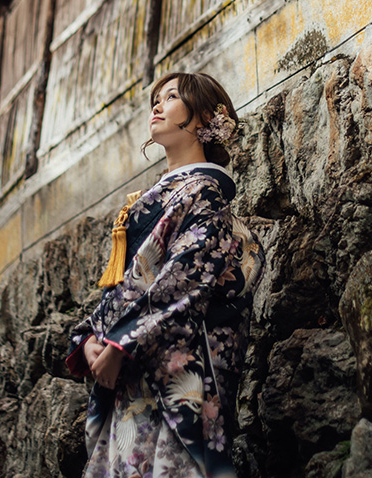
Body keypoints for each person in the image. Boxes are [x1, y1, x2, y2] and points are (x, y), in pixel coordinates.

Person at [66, 72, 263, 478]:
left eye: (171, 97)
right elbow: (127, 284)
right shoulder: (162, 196)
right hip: (135, 363)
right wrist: (90, 338)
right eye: (156, 98)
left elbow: (185, 279)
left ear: (204, 117)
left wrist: (121, 344)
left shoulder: (204, 192)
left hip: (172, 367)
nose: (157, 105)